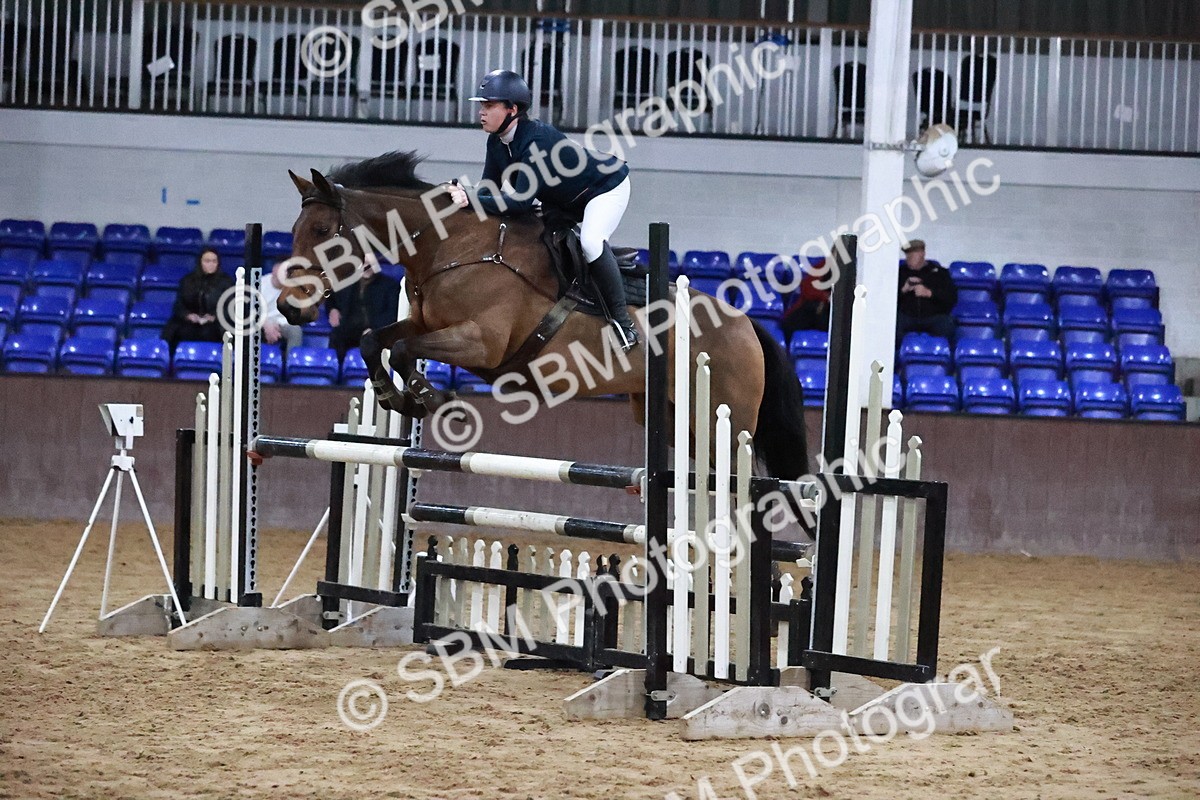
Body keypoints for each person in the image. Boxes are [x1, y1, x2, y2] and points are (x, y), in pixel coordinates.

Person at [447, 69, 638, 351]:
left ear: (512, 109)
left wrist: (470, 198)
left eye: (489, 106)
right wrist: (458, 194)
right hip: (562, 200)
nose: (481, 112)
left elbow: (520, 202)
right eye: (481, 106)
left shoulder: (536, 140)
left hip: (603, 189)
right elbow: (488, 187)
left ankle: (624, 324)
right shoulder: (497, 142)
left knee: (590, 241)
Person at [327, 255, 401, 359]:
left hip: (375, 331)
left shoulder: (390, 286)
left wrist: (374, 329)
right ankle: (337, 371)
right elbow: (331, 298)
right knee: (336, 336)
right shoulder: (346, 283)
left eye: (369, 264)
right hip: (349, 329)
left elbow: (392, 313)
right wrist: (332, 309)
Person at [161, 248, 235, 348]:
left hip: (217, 324)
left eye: (214, 261)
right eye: (207, 261)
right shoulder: (188, 280)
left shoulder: (227, 282)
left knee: (220, 332)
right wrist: (188, 315)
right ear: (200, 262)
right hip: (190, 323)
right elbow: (179, 305)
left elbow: (231, 307)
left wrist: (214, 317)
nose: (211, 264)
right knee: (176, 331)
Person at [896, 239, 957, 341]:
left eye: (912, 255)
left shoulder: (940, 273)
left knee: (946, 324)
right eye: (907, 255)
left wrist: (929, 293)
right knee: (894, 323)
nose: (909, 258)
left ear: (922, 254)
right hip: (907, 316)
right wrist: (903, 289)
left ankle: (941, 353)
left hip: (933, 316)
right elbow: (888, 300)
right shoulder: (900, 272)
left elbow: (951, 297)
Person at [781, 257, 831, 336]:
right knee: (789, 324)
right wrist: (825, 297)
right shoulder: (825, 266)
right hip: (811, 308)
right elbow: (807, 288)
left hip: (830, 314)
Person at [259, 263, 304, 351]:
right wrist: (266, 324)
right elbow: (250, 311)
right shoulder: (259, 284)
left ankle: (290, 363)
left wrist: (275, 324)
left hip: (281, 324)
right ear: (274, 270)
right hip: (260, 322)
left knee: (295, 331)